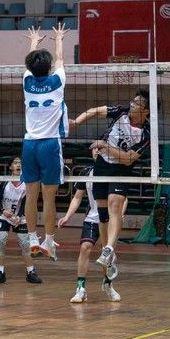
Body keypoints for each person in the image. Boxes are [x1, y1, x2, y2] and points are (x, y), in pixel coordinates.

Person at [71, 88, 151, 279]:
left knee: (115, 206)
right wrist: (77, 122)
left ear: (146, 111)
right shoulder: (121, 112)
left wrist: (105, 145)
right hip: (102, 166)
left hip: (120, 170)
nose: (132, 105)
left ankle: (108, 248)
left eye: (137, 103)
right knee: (102, 214)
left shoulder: (146, 134)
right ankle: (107, 252)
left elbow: (128, 159)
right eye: (133, 101)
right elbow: (96, 111)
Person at [20, 25, 69, 261]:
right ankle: (48, 241)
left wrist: (34, 40)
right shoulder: (58, 81)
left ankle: (32, 238)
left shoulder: (27, 82)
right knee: (49, 198)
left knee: (31, 195)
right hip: (50, 144)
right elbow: (60, 59)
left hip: (29, 145)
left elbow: (31, 63)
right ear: (49, 68)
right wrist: (58, 39)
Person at [59, 147, 125, 303]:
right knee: (85, 248)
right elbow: (77, 197)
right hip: (92, 219)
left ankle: (108, 285)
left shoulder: (114, 171)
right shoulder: (86, 172)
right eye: (95, 149)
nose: (97, 151)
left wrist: (120, 214)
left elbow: (123, 197)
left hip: (109, 222)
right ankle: (80, 289)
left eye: (100, 148)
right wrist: (67, 216)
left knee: (106, 256)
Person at [0, 156, 42, 284]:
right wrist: (3, 211)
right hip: (4, 216)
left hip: (20, 218)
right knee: (1, 241)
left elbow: (27, 202)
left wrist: (19, 216)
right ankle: (0, 272)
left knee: (25, 244)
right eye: (15, 163)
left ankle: (31, 272)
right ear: (10, 167)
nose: (18, 165)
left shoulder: (27, 184)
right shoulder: (4, 182)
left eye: (20, 163)